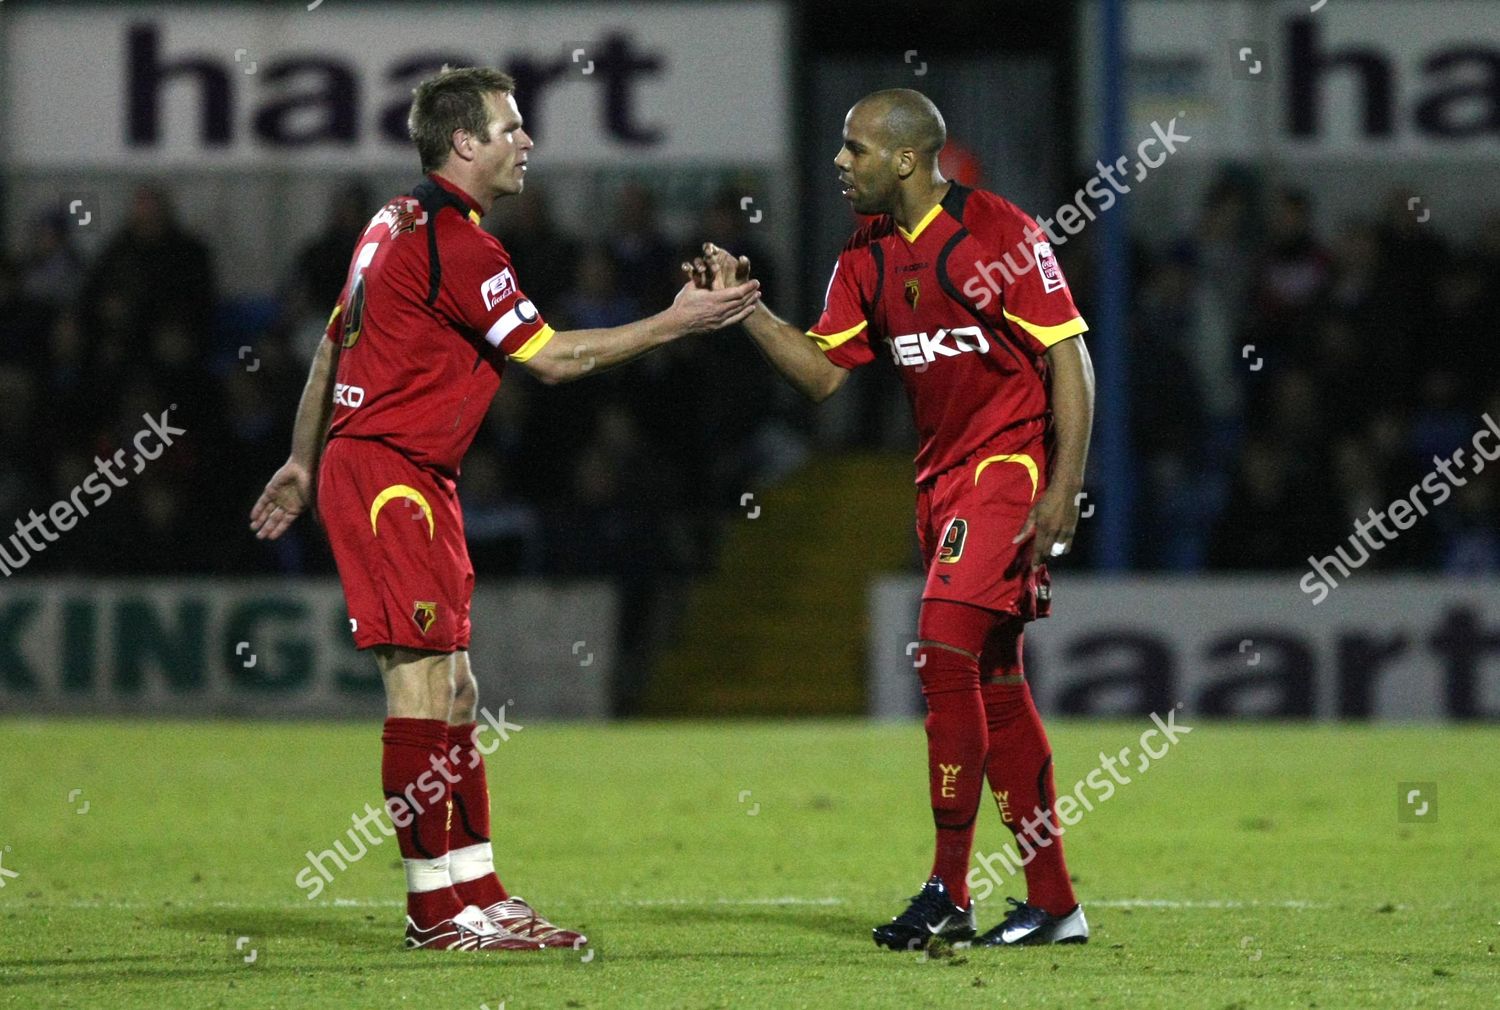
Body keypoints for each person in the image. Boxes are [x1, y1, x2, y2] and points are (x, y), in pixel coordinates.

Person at [249, 66, 759, 951]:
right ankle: (433, 912)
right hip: (388, 478)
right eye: (511, 127)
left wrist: (301, 458)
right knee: (420, 687)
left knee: (457, 690)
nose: (527, 141)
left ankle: (478, 893)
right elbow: (553, 360)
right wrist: (677, 321)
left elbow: (333, 346)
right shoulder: (458, 244)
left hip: (409, 474)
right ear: (464, 143)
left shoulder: (393, 221)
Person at [690, 89, 1092, 949]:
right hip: (940, 483)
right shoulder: (864, 255)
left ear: (906, 159)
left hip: (1007, 472)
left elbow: (1070, 356)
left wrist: (1063, 488)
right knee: (997, 683)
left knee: (943, 649)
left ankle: (949, 891)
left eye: (855, 149)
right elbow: (822, 374)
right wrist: (747, 310)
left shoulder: (999, 234)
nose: (840, 164)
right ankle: (1055, 904)